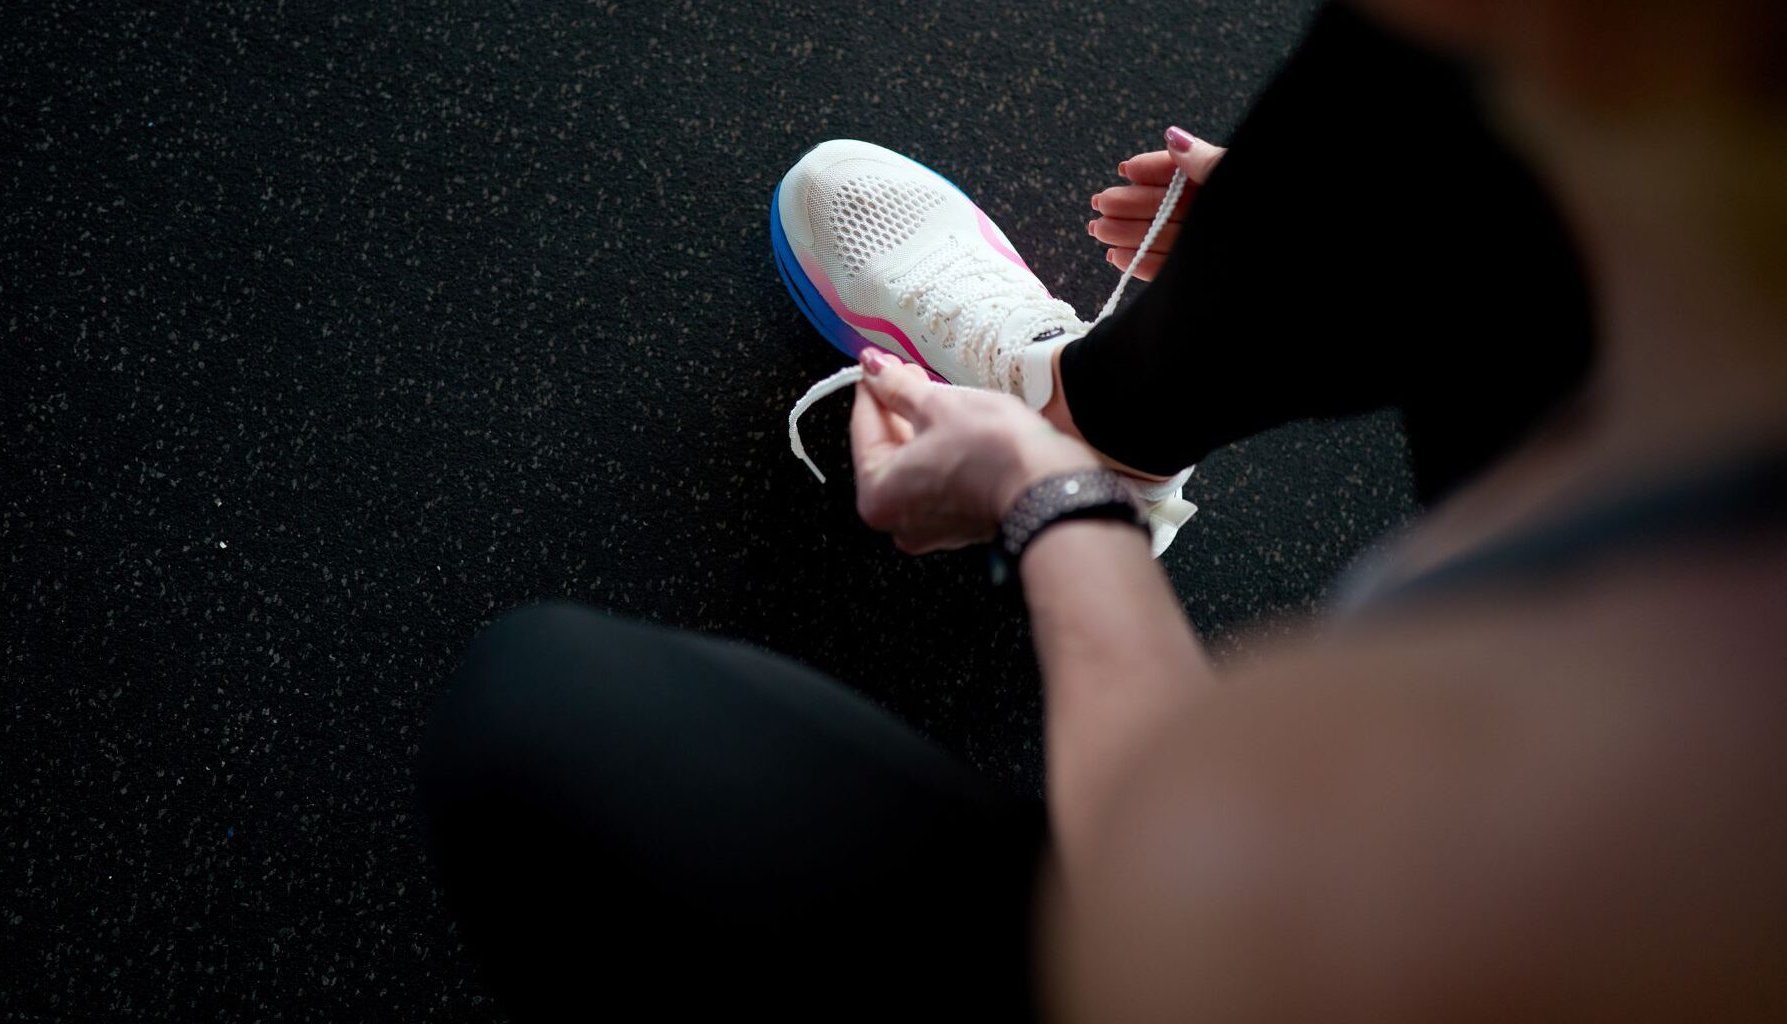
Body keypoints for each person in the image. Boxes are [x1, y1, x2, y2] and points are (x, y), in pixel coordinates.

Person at [418, 0, 1787, 1019]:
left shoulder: (1664, 796)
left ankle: (1088, 456)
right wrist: (1315, 254)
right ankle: (1102, 412)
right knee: (1428, 126)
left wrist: (1047, 505)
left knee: (541, 709)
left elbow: (1184, 921)